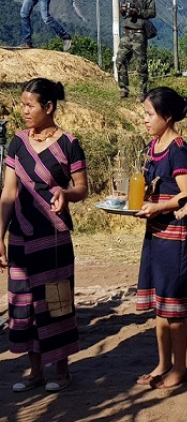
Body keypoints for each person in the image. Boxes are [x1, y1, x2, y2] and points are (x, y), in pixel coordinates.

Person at [1, 78, 88, 393]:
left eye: (29, 105)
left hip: (52, 237)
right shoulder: (17, 143)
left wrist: (67, 194)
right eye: (22, 104)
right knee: (23, 302)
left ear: (48, 107)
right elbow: (8, 192)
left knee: (55, 300)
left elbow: (82, 188)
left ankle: (61, 371)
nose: (23, 110)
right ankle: (35, 370)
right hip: (21, 237)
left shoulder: (68, 143)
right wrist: (0, 234)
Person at [134, 87, 187, 390]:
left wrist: (159, 205)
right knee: (161, 305)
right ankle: (162, 363)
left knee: (174, 310)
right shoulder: (153, 146)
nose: (145, 120)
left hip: (175, 237)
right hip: (155, 235)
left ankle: (180, 368)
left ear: (167, 117)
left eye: (149, 114)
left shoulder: (179, 149)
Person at [116, 0, 156, 101]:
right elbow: (122, 13)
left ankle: (143, 92)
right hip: (126, 33)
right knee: (120, 60)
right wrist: (123, 9)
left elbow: (152, 13)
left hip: (139, 33)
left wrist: (137, 11)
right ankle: (123, 89)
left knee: (141, 63)